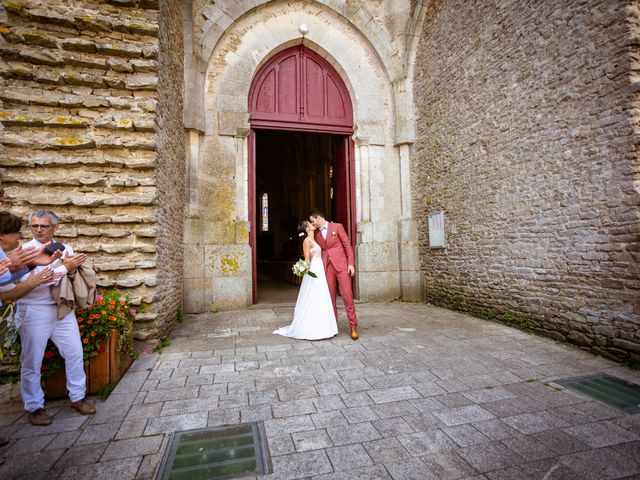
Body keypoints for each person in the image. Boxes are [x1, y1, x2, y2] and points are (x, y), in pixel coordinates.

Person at [15, 210, 95, 426]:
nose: (38, 229)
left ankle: (78, 397)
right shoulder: (24, 252)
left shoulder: (65, 248)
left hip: (61, 308)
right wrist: (64, 269)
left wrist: (71, 271)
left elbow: (71, 278)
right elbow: (32, 281)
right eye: (34, 226)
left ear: (55, 228)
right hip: (33, 309)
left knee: (74, 352)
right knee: (32, 360)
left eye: (43, 226)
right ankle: (34, 407)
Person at [273, 220, 338, 340]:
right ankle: (312, 328)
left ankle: (324, 327)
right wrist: (303, 268)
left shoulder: (315, 239)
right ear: (307, 229)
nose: (313, 224)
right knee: (314, 296)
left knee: (321, 296)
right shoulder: (307, 241)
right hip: (314, 270)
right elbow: (307, 258)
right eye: (310, 224)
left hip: (320, 270)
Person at [309, 209, 359, 340]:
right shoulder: (317, 234)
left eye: (313, 221)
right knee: (330, 298)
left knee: (347, 295)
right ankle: (333, 326)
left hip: (342, 265)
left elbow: (347, 245)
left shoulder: (337, 227)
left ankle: (353, 326)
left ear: (319, 217)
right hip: (327, 267)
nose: (312, 224)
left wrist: (351, 264)